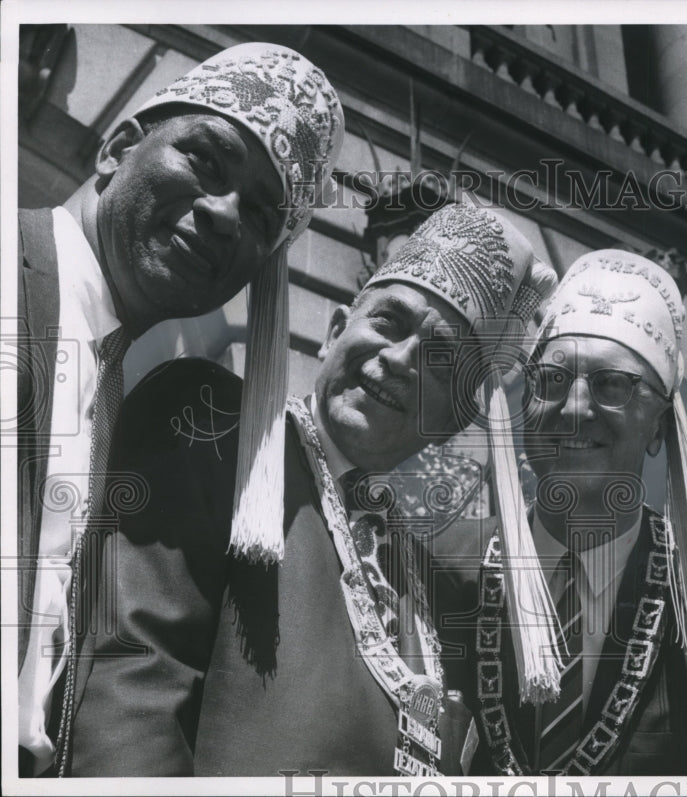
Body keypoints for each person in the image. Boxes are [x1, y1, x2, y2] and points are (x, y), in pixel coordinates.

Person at [68, 202, 560, 777]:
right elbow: (130, 690)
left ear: (451, 420)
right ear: (332, 332)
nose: (400, 360)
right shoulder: (217, 430)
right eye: (388, 322)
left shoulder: (425, 579)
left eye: (441, 358)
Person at [15, 41, 343, 776]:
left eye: (261, 213)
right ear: (119, 147)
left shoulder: (112, 389)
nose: (227, 214)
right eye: (206, 160)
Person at [427, 250, 687, 776]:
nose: (573, 409)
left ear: (660, 428)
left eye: (612, 384)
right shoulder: (439, 566)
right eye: (550, 380)